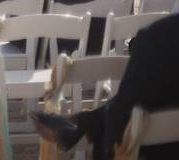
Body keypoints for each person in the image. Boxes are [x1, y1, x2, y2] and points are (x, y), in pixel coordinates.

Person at [32, 9, 179, 159]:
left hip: (158, 147)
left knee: (127, 109)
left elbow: (123, 111)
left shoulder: (157, 36)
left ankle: (82, 125)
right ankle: (83, 124)